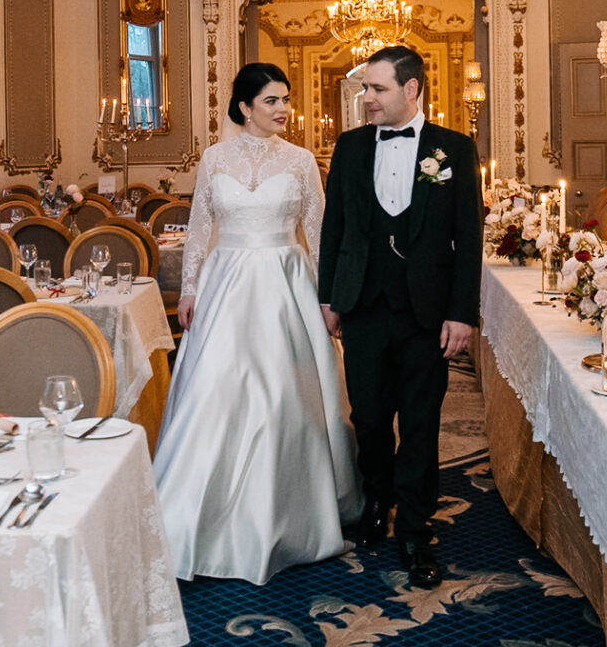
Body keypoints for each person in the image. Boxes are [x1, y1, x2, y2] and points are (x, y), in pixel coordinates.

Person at [153, 62, 361, 584]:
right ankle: (196, 517)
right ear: (244, 107)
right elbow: (201, 226)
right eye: (272, 100)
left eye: (286, 99)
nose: (284, 109)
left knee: (281, 395)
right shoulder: (214, 158)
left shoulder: (300, 160)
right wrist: (193, 288)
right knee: (214, 394)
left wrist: (327, 298)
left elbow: (318, 228)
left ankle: (288, 516)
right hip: (227, 286)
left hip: (286, 285)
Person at [319, 45, 483, 589]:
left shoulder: (454, 149)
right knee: (367, 419)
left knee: (419, 424)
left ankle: (415, 530)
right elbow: (334, 229)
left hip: (426, 313)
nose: (365, 99)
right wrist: (328, 298)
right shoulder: (349, 146)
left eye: (376, 89)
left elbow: (469, 240)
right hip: (363, 306)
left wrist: (462, 314)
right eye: (365, 89)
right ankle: (376, 500)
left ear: (411, 90)